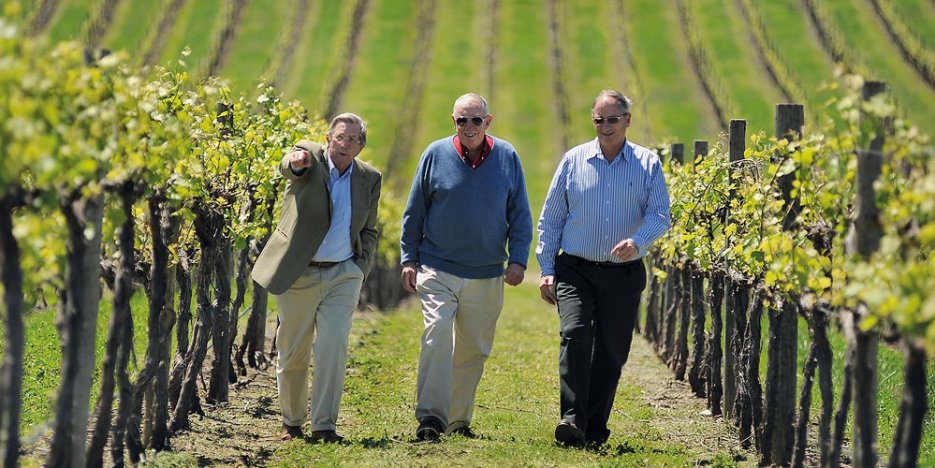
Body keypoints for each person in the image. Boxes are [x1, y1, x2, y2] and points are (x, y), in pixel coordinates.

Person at [536, 89, 671, 447]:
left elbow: (661, 215)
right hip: (576, 269)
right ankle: (571, 419)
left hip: (622, 274)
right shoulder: (573, 160)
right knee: (575, 334)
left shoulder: (647, 164)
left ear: (628, 120)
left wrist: (638, 242)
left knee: (612, 352)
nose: (606, 126)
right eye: (599, 119)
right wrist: (547, 268)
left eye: (613, 119)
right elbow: (551, 219)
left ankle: (594, 428)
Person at [400, 93, 532, 441]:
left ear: (488, 121)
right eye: (462, 120)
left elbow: (520, 213)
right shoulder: (434, 154)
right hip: (437, 266)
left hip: (487, 271)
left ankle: (458, 420)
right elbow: (414, 212)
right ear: (453, 121)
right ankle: (430, 417)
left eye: (476, 120)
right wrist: (408, 258)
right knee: (436, 337)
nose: (469, 126)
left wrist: (518, 259)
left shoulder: (507, 157)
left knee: (473, 349)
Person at [251, 113, 382, 443]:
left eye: (353, 140)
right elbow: (289, 164)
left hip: (343, 274)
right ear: (327, 138)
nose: (345, 144)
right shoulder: (309, 156)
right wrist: (294, 162)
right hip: (299, 272)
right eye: (340, 137)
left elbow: (369, 229)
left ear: (361, 146)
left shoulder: (369, 177)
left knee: (333, 346)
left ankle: (325, 425)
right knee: (293, 350)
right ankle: (292, 422)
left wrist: (359, 267)